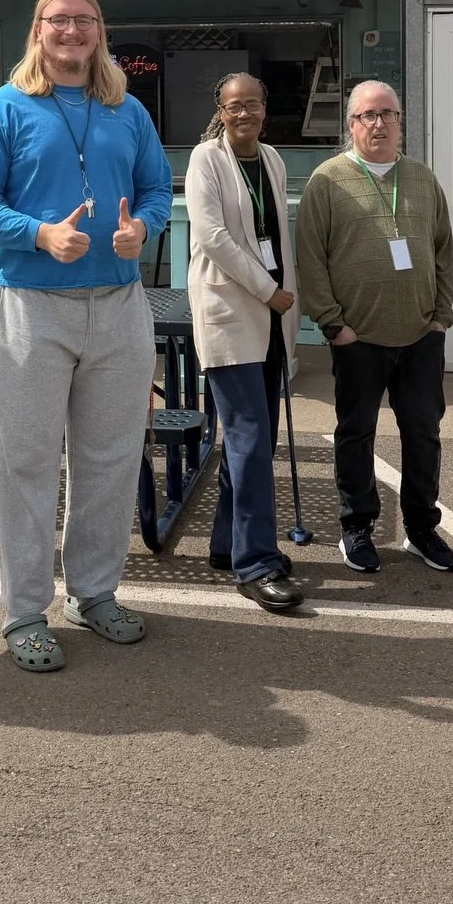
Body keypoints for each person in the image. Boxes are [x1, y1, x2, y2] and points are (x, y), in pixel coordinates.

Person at [0, 0, 173, 672]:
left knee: (110, 459)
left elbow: (156, 190)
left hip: (118, 304)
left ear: (99, 30)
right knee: (25, 462)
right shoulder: (2, 110)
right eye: (59, 20)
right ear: (38, 29)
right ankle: (24, 610)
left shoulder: (127, 109)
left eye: (84, 20)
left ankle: (93, 592)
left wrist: (144, 226)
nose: (72, 30)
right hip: (32, 306)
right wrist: (38, 234)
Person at [296, 81, 453, 575]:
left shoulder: (421, 178)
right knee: (355, 434)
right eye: (368, 115)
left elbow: (442, 250)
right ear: (351, 124)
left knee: (423, 434)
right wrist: (332, 325)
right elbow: (310, 258)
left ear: (400, 120)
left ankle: (422, 529)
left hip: (419, 336)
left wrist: (441, 317)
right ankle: (357, 527)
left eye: (388, 113)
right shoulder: (327, 180)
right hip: (358, 338)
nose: (379, 123)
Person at [185, 73, 303, 614]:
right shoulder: (205, 160)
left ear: (264, 108)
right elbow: (212, 236)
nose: (245, 114)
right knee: (249, 438)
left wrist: (285, 299)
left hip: (274, 314)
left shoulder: (273, 159)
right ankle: (256, 561)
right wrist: (268, 289)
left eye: (253, 104)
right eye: (235, 106)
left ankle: (226, 545)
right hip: (231, 312)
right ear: (221, 110)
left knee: (250, 439)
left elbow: (276, 234)